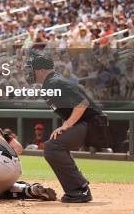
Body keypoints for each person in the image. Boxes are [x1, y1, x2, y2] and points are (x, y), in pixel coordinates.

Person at [25, 51, 108, 203]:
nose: (29, 73)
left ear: (42, 70)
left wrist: (66, 125)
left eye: (32, 69)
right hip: (88, 123)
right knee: (55, 145)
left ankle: (79, 190)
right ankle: (79, 187)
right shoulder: (51, 82)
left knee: (52, 147)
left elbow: (82, 103)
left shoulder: (55, 82)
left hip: (92, 123)